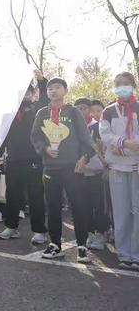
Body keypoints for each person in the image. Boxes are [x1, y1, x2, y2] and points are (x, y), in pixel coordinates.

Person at [31, 77, 96, 263]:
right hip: (51, 168)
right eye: (50, 88)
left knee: (78, 206)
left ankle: (82, 246)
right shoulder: (42, 113)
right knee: (52, 207)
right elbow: (35, 136)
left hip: (72, 167)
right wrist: (44, 149)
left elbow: (86, 140)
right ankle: (55, 245)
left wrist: (84, 157)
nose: (53, 91)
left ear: (65, 90)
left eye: (57, 87)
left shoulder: (73, 112)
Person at [0, 71, 48, 244]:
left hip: (34, 160)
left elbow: (45, 101)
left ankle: (39, 231)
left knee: (36, 196)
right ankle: (11, 227)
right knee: (12, 196)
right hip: (13, 160)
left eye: (29, 92)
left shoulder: (38, 110)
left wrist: (41, 81)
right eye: (22, 92)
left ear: (33, 94)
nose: (25, 95)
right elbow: (2, 137)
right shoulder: (8, 114)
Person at [99, 72, 139, 270]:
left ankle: (136, 254)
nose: (122, 87)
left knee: (137, 210)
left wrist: (126, 145)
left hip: (136, 166)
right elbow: (105, 135)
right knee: (121, 211)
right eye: (118, 84)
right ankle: (124, 254)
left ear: (133, 85)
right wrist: (124, 144)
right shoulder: (108, 111)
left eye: (126, 83)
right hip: (116, 166)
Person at [74, 98, 108, 251]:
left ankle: (101, 233)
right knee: (84, 205)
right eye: (78, 109)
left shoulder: (98, 126)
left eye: (84, 108)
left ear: (89, 109)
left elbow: (102, 148)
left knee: (98, 205)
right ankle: (89, 233)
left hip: (97, 173)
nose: (81, 112)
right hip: (79, 174)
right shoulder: (72, 127)